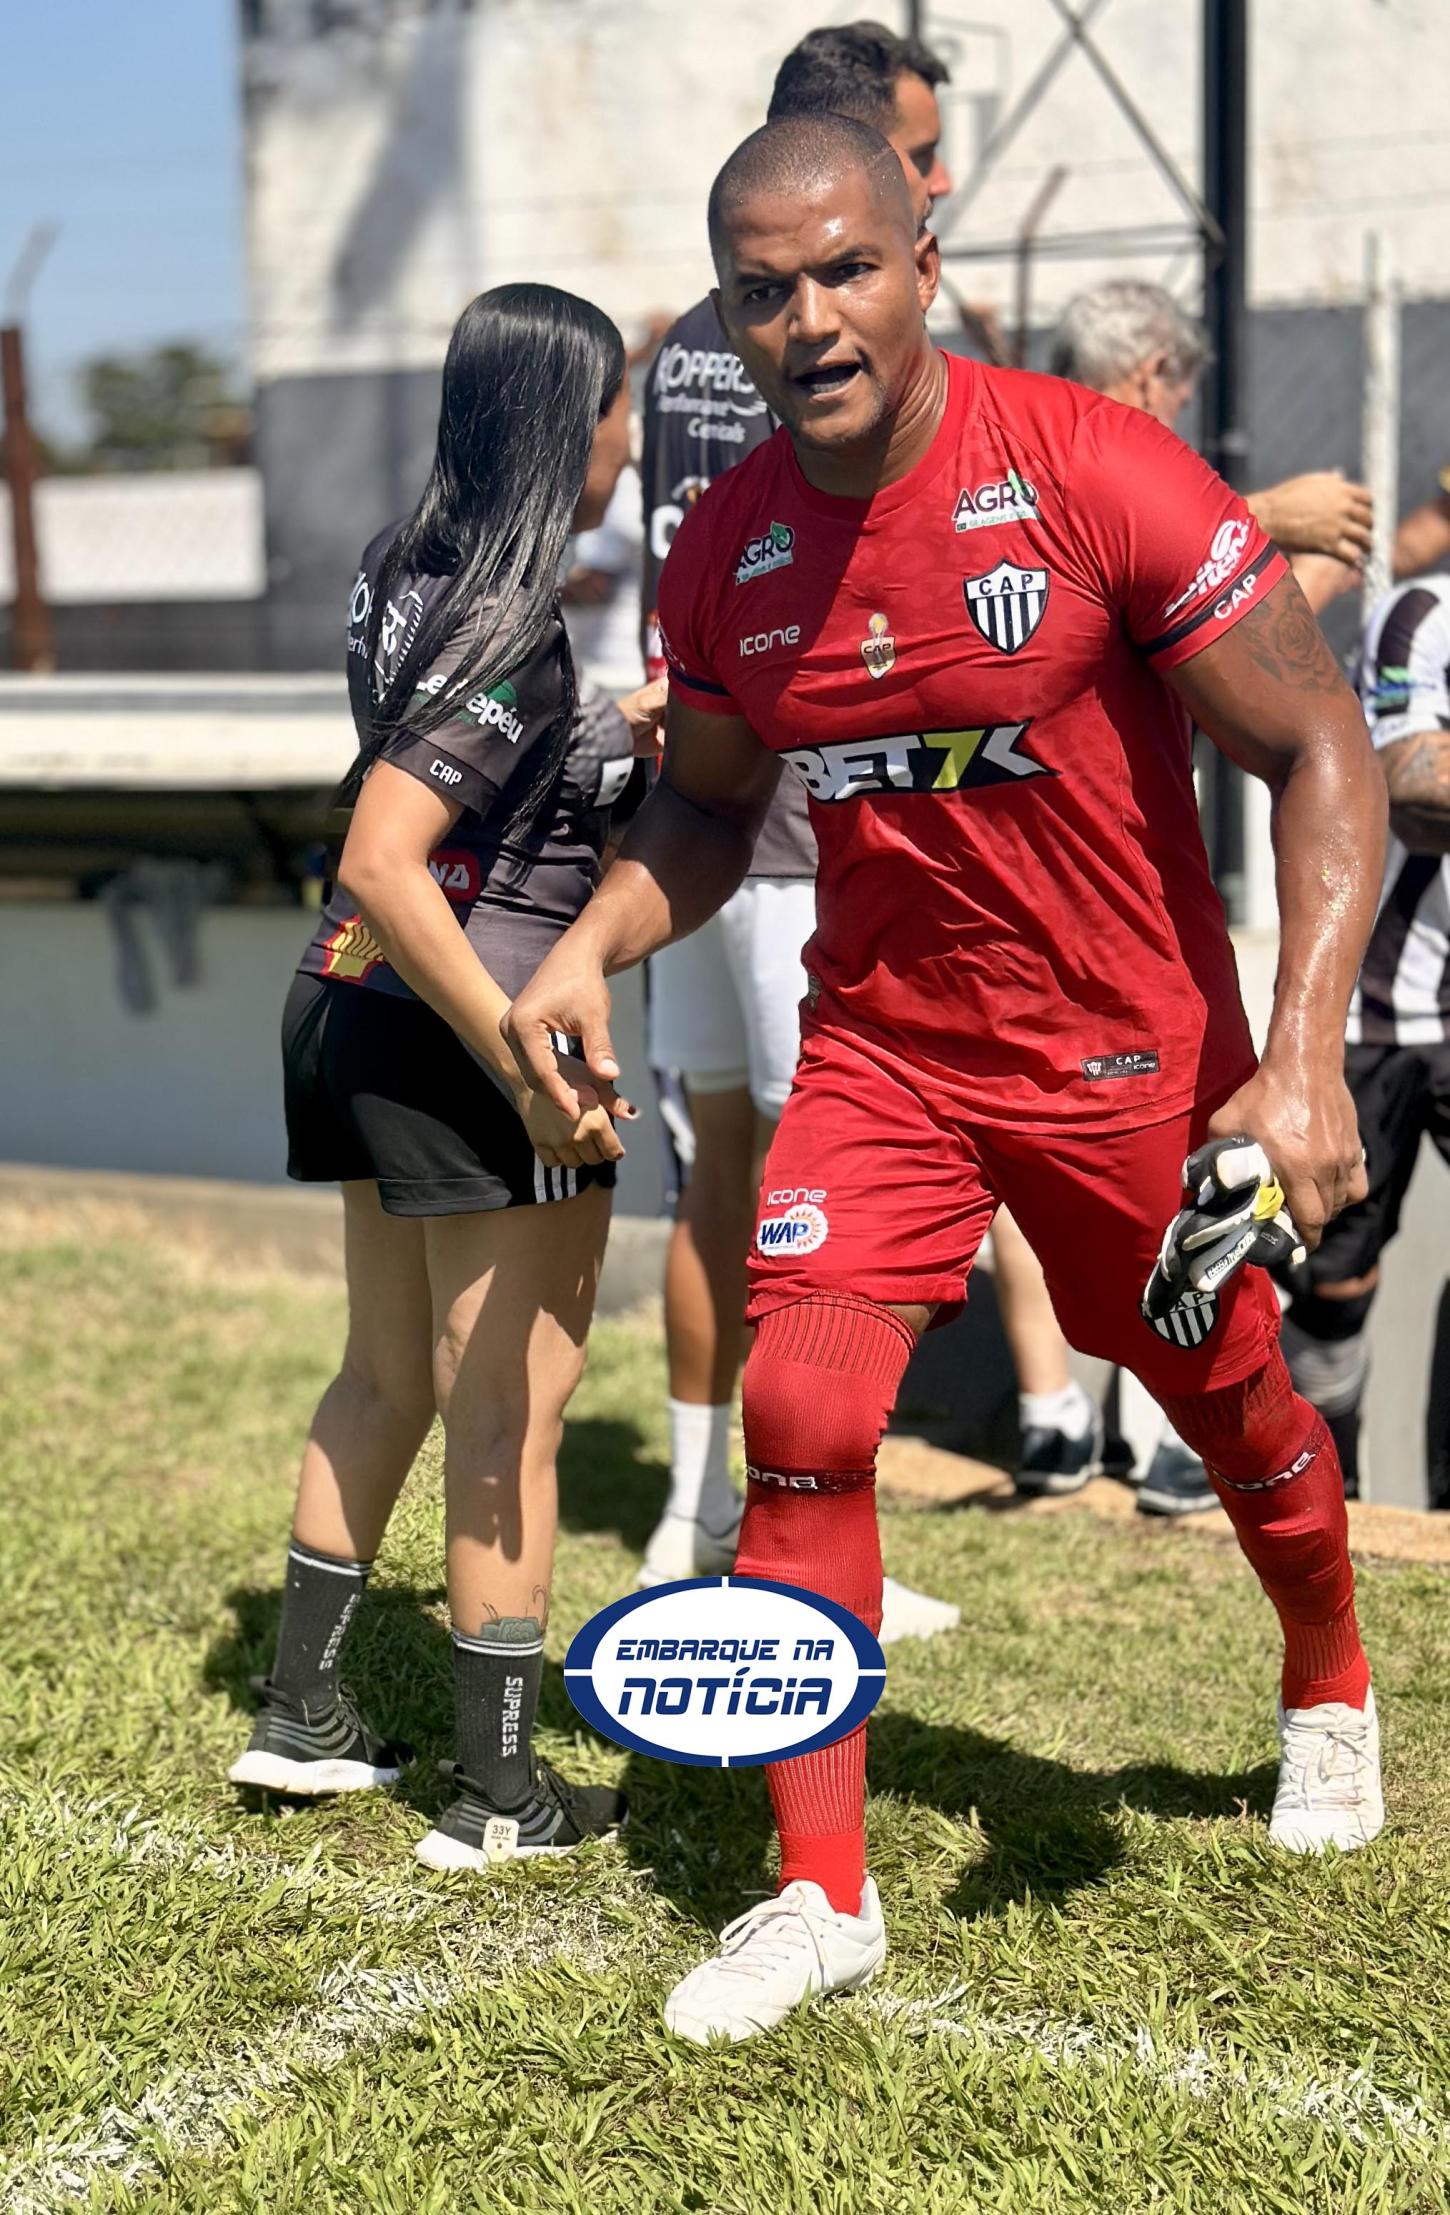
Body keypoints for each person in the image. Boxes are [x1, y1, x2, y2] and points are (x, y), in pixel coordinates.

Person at [507, 115, 1388, 2043]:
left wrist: (1304, 1055)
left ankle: (1329, 1677)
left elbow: (1324, 746)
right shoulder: (729, 551)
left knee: (1224, 1396)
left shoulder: (1094, 469)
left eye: (847, 270)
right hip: (886, 1055)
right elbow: (710, 810)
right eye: (763, 291)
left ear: (925, 260)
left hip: (1122, 1050)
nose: (811, 320)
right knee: (803, 1406)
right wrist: (588, 942)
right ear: (725, 312)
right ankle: (821, 1892)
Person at [637, 21, 1085, 1591]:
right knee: (812, 1203)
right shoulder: (841, 344)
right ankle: (816, 1533)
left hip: (694, 796)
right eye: (916, 155)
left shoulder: (688, 334)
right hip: (783, 824)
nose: (934, 183)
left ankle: (694, 1509)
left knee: (715, 1168)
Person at [230, 283, 665, 1869]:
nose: (629, 441)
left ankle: (302, 1712)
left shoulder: (400, 567)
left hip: (350, 998)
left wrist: (600, 733)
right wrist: (524, 1060)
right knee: (510, 1413)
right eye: (613, 408)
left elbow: (461, 779)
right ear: (563, 426)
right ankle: (500, 1795)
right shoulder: (508, 620)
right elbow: (389, 849)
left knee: (384, 1375)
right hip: (466, 1018)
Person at [1282, 572, 1450, 1501]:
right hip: (1380, 1006)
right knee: (1335, 1283)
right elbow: (1411, 781)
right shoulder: (1423, 614)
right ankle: (1325, 1493)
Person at [1049, 279, 1375, 615]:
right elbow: (1207, 642)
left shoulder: (1035, 449)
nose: (1172, 430)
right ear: (1153, 376)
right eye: (1179, 405)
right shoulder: (1098, 483)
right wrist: (1311, 572)